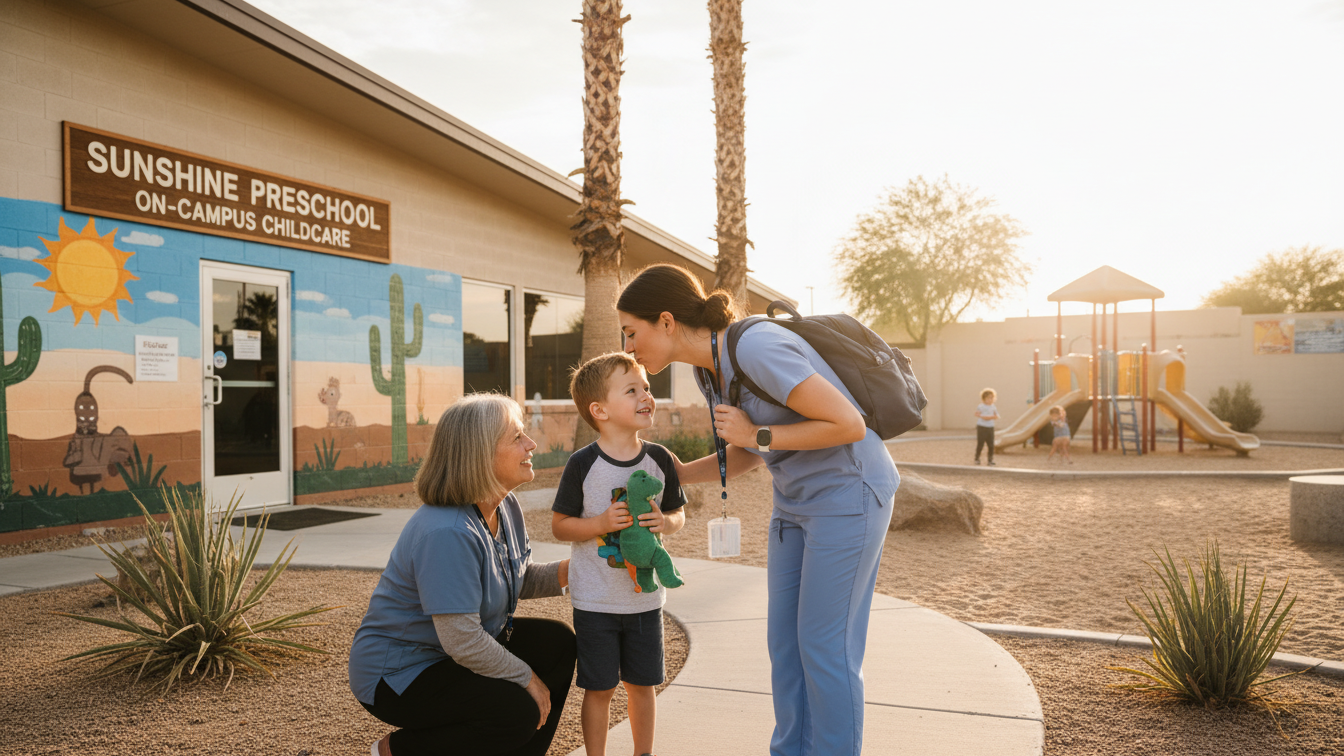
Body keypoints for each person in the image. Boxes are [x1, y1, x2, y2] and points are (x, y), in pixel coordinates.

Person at [615, 263, 899, 756]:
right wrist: (677, 473)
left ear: (665, 321)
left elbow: (849, 424)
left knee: (825, 648)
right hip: (793, 504)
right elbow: (748, 452)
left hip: (849, 495)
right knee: (786, 648)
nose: (629, 347)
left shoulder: (755, 346)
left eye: (631, 332)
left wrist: (755, 434)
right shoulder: (712, 370)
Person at [349, 394, 577, 756]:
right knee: (515, 712)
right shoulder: (447, 531)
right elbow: (463, 640)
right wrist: (528, 679)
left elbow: (516, 579)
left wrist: (579, 571)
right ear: (480, 453)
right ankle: (395, 751)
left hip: (449, 651)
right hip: (399, 673)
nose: (531, 444)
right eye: (516, 437)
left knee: (558, 642)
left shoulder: (504, 506)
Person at [552, 352, 687, 756]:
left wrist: (668, 523)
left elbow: (678, 512)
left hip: (644, 600)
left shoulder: (660, 459)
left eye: (646, 387)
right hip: (595, 601)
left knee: (643, 685)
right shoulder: (583, 464)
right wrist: (599, 523)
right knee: (599, 688)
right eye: (632, 390)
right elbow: (560, 525)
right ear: (600, 410)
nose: (646, 395)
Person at [974, 388, 999, 466]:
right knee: (980, 444)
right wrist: (986, 417)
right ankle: (977, 458)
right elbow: (977, 414)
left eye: (992, 398)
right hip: (982, 427)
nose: (991, 399)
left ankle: (990, 460)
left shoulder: (993, 407)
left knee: (991, 444)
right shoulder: (981, 406)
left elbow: (996, 416)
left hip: (990, 427)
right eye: (989, 398)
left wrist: (988, 417)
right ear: (984, 398)